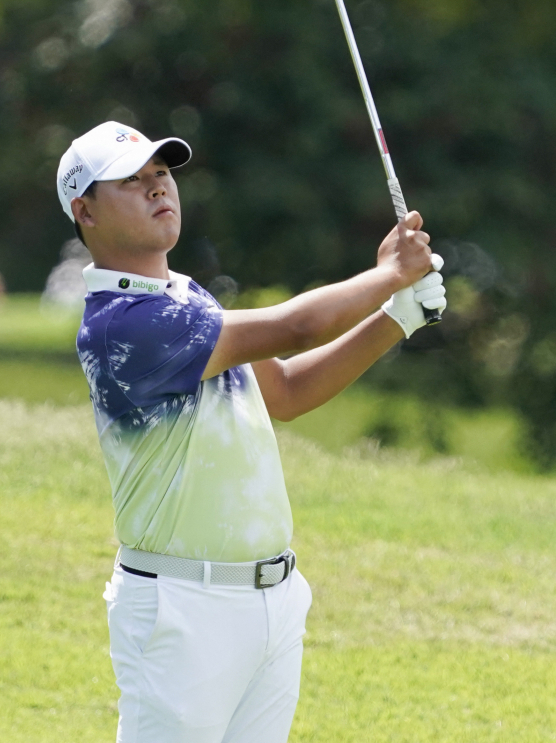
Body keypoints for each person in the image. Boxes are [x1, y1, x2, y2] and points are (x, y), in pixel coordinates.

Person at [56, 120, 446, 743]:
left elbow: (286, 390)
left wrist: (396, 317)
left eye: (161, 174)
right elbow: (293, 328)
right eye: (131, 181)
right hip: (183, 611)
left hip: (271, 597)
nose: (158, 188)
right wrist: (389, 276)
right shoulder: (123, 324)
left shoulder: (189, 298)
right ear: (86, 211)